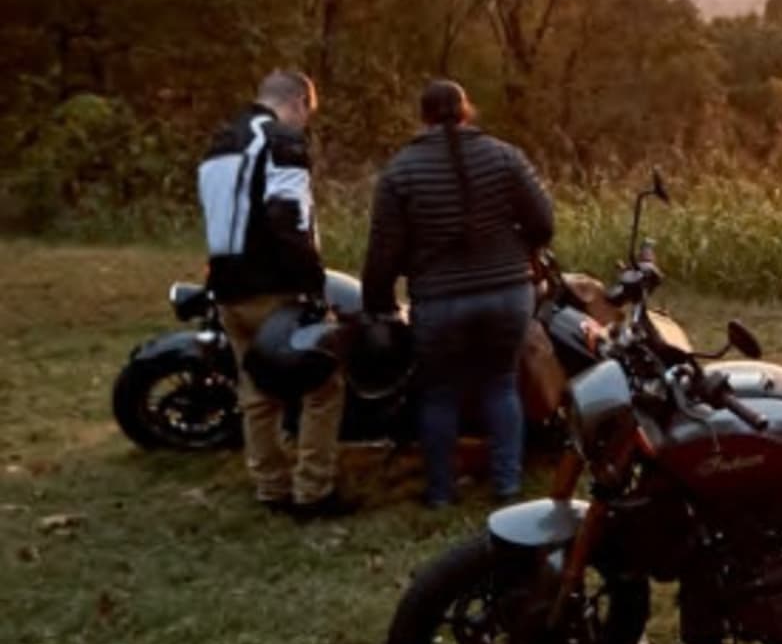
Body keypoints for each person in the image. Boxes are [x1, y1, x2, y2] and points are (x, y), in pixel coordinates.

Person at [362, 79, 555, 508]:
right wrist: (520, 250)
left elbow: (383, 251)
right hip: (508, 292)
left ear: (424, 116)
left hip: (439, 299)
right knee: (501, 384)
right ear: (466, 110)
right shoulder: (506, 157)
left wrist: (379, 305)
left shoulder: (401, 171)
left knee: (439, 392)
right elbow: (543, 221)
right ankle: (506, 487)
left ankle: (441, 492)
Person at [198, 68, 348, 519]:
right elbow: (288, 216)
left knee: (257, 390)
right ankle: (314, 490)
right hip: (274, 287)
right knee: (323, 386)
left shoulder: (220, 143)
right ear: (300, 102)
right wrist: (313, 283)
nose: (306, 123)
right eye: (309, 113)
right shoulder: (282, 141)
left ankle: (270, 485)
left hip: (227, 286)